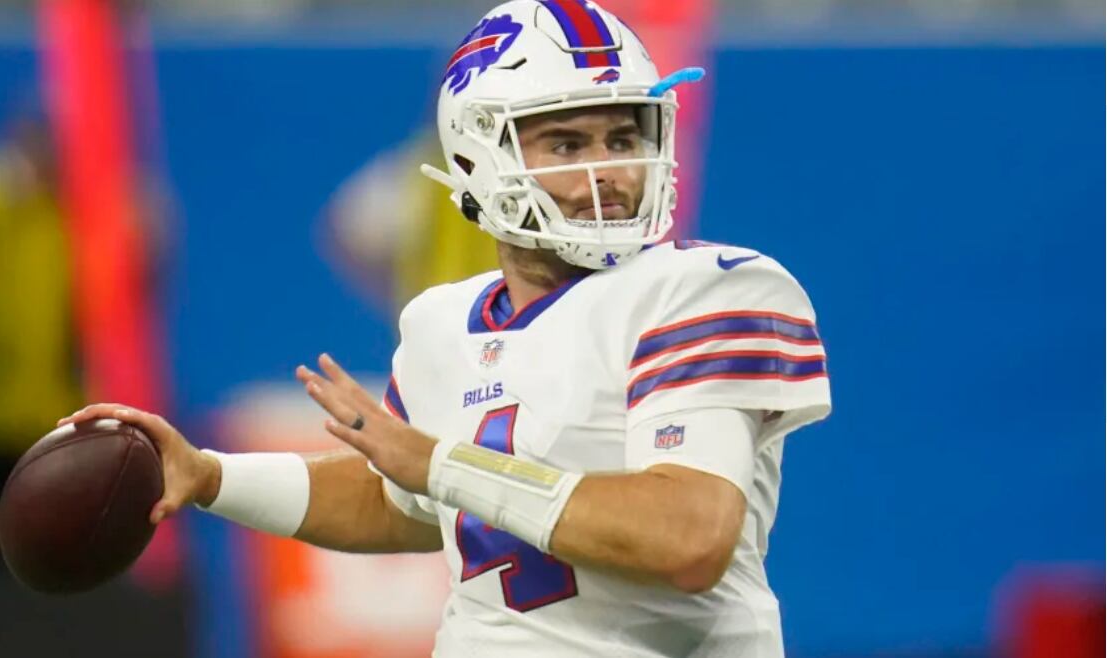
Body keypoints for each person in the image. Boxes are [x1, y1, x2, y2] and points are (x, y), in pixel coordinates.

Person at [62, 1, 831, 655]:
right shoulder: (440, 323)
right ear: (476, 155)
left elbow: (688, 537)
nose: (611, 170)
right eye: (567, 142)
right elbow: (397, 503)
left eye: (624, 137)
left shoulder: (704, 290)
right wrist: (213, 477)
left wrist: (440, 465)